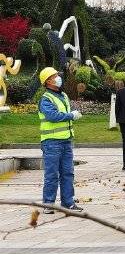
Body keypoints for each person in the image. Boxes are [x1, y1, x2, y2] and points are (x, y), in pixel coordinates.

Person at [37, 66, 83, 213]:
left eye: (57, 75)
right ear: (48, 81)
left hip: (66, 140)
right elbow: (52, 116)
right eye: (54, 76)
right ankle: (48, 204)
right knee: (52, 175)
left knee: (68, 173)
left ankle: (68, 203)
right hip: (51, 142)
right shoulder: (46, 99)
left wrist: (72, 114)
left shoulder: (63, 95)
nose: (58, 78)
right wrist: (71, 115)